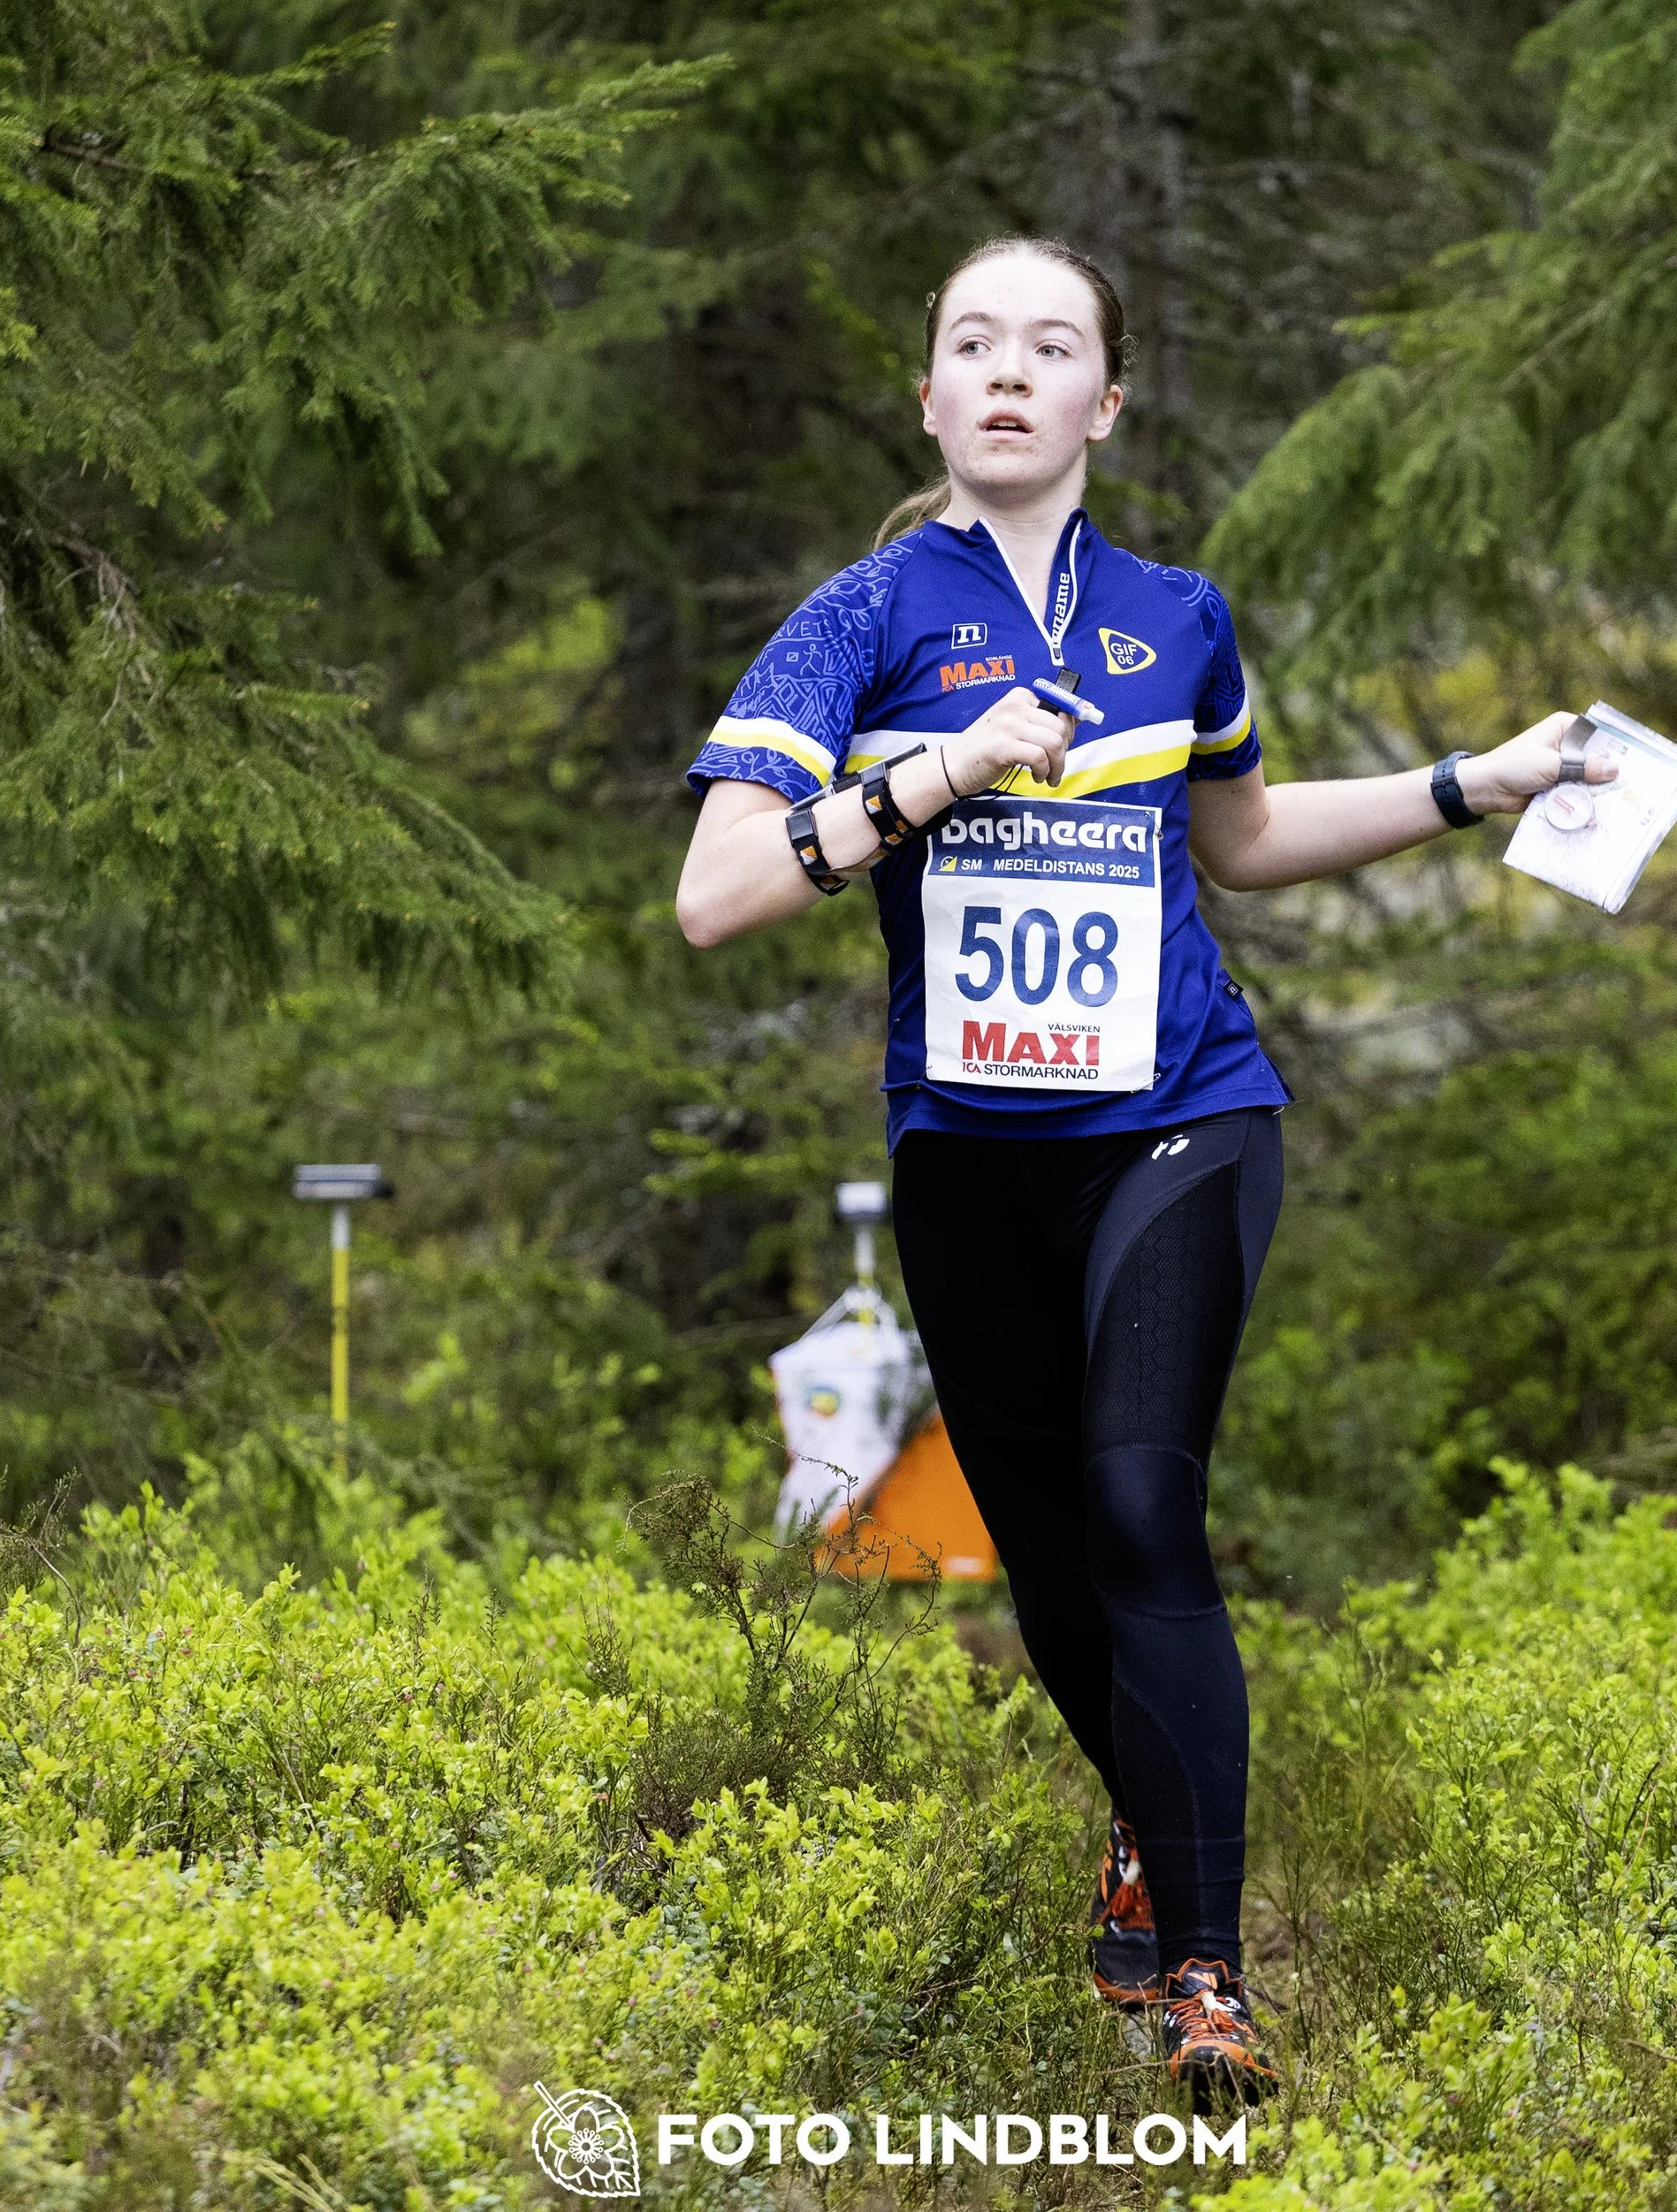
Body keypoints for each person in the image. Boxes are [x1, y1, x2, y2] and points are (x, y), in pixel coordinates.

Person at [675, 236, 1614, 2104]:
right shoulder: (856, 618)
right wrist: (931, 775)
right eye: (970, 343)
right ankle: (1145, 1831)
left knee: (1136, 1505)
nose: (1007, 372)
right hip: (966, 1154)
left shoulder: (1174, 613)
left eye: (1051, 346)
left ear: (1104, 402)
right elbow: (716, 893)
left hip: (1182, 1115)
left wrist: (1470, 782)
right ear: (927, 398)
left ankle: (1207, 1972)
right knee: (1046, 1571)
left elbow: (1244, 839)